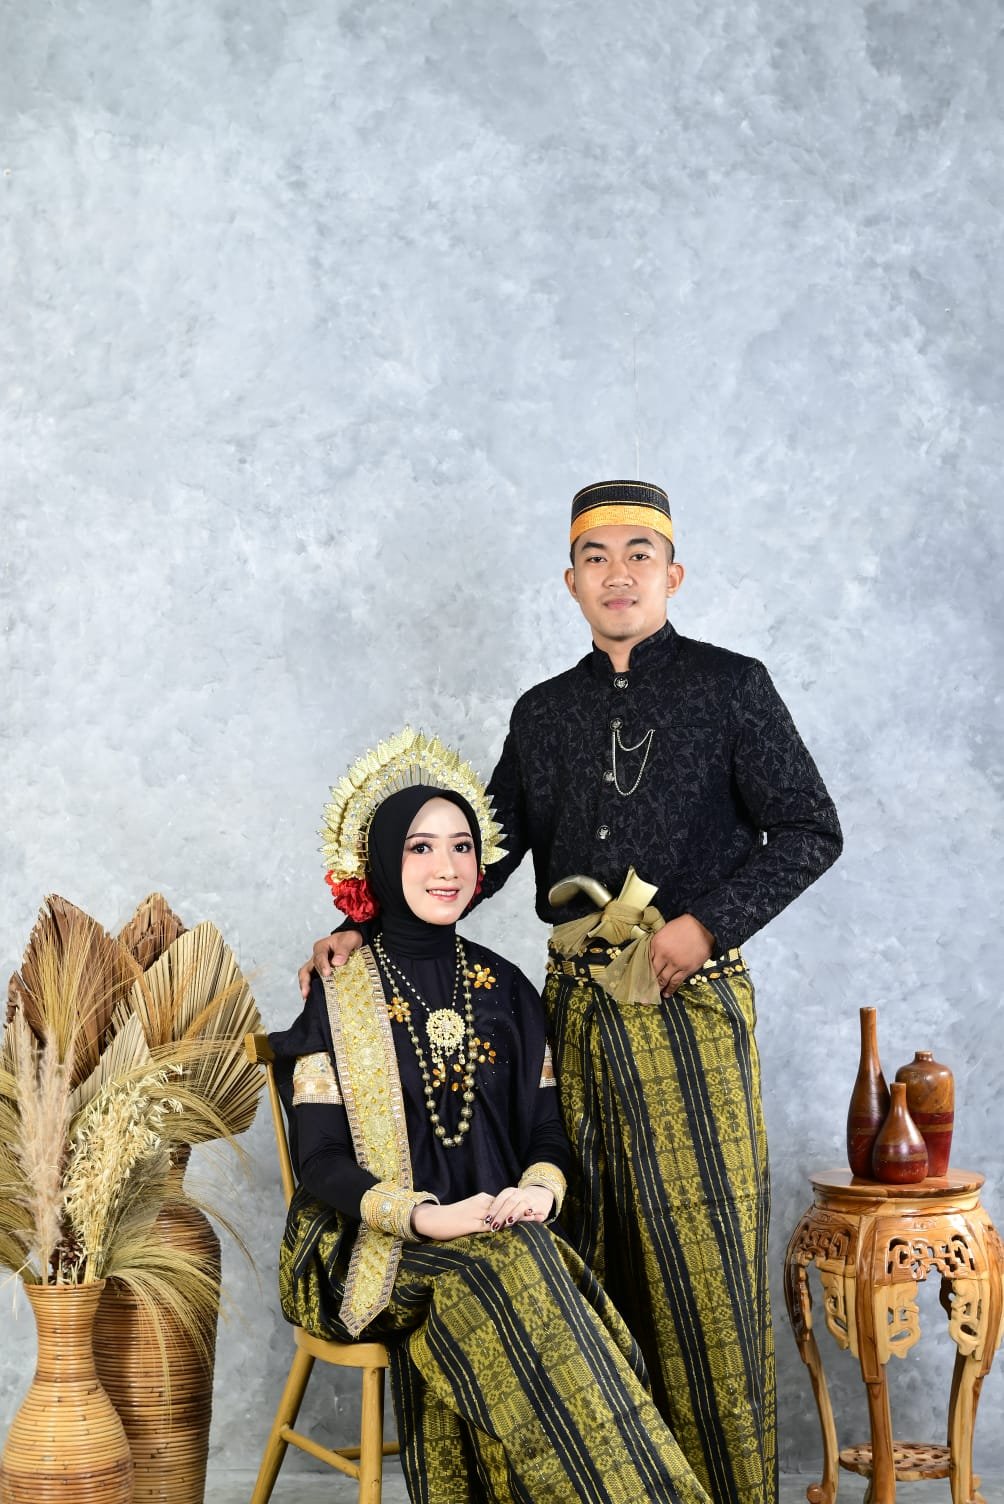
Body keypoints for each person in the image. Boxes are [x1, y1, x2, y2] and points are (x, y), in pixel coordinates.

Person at [301, 482, 843, 1504]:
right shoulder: (543, 713)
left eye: (639, 554)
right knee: (592, 1243)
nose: (618, 573)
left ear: (673, 575)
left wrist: (703, 925)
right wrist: (360, 927)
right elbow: (477, 858)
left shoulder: (733, 687)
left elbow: (812, 829)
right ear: (569, 581)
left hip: (687, 1007)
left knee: (701, 1259)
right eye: (596, 557)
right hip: (576, 1011)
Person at [272, 728, 711, 1504]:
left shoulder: (507, 988)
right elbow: (320, 1163)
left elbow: (546, 1130)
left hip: (499, 1232)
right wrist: (429, 1218)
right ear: (380, 859)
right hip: (371, 1245)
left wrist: (539, 1190)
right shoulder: (338, 992)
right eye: (420, 847)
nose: (446, 867)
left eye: (463, 847)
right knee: (511, 1270)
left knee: (525, 1258)